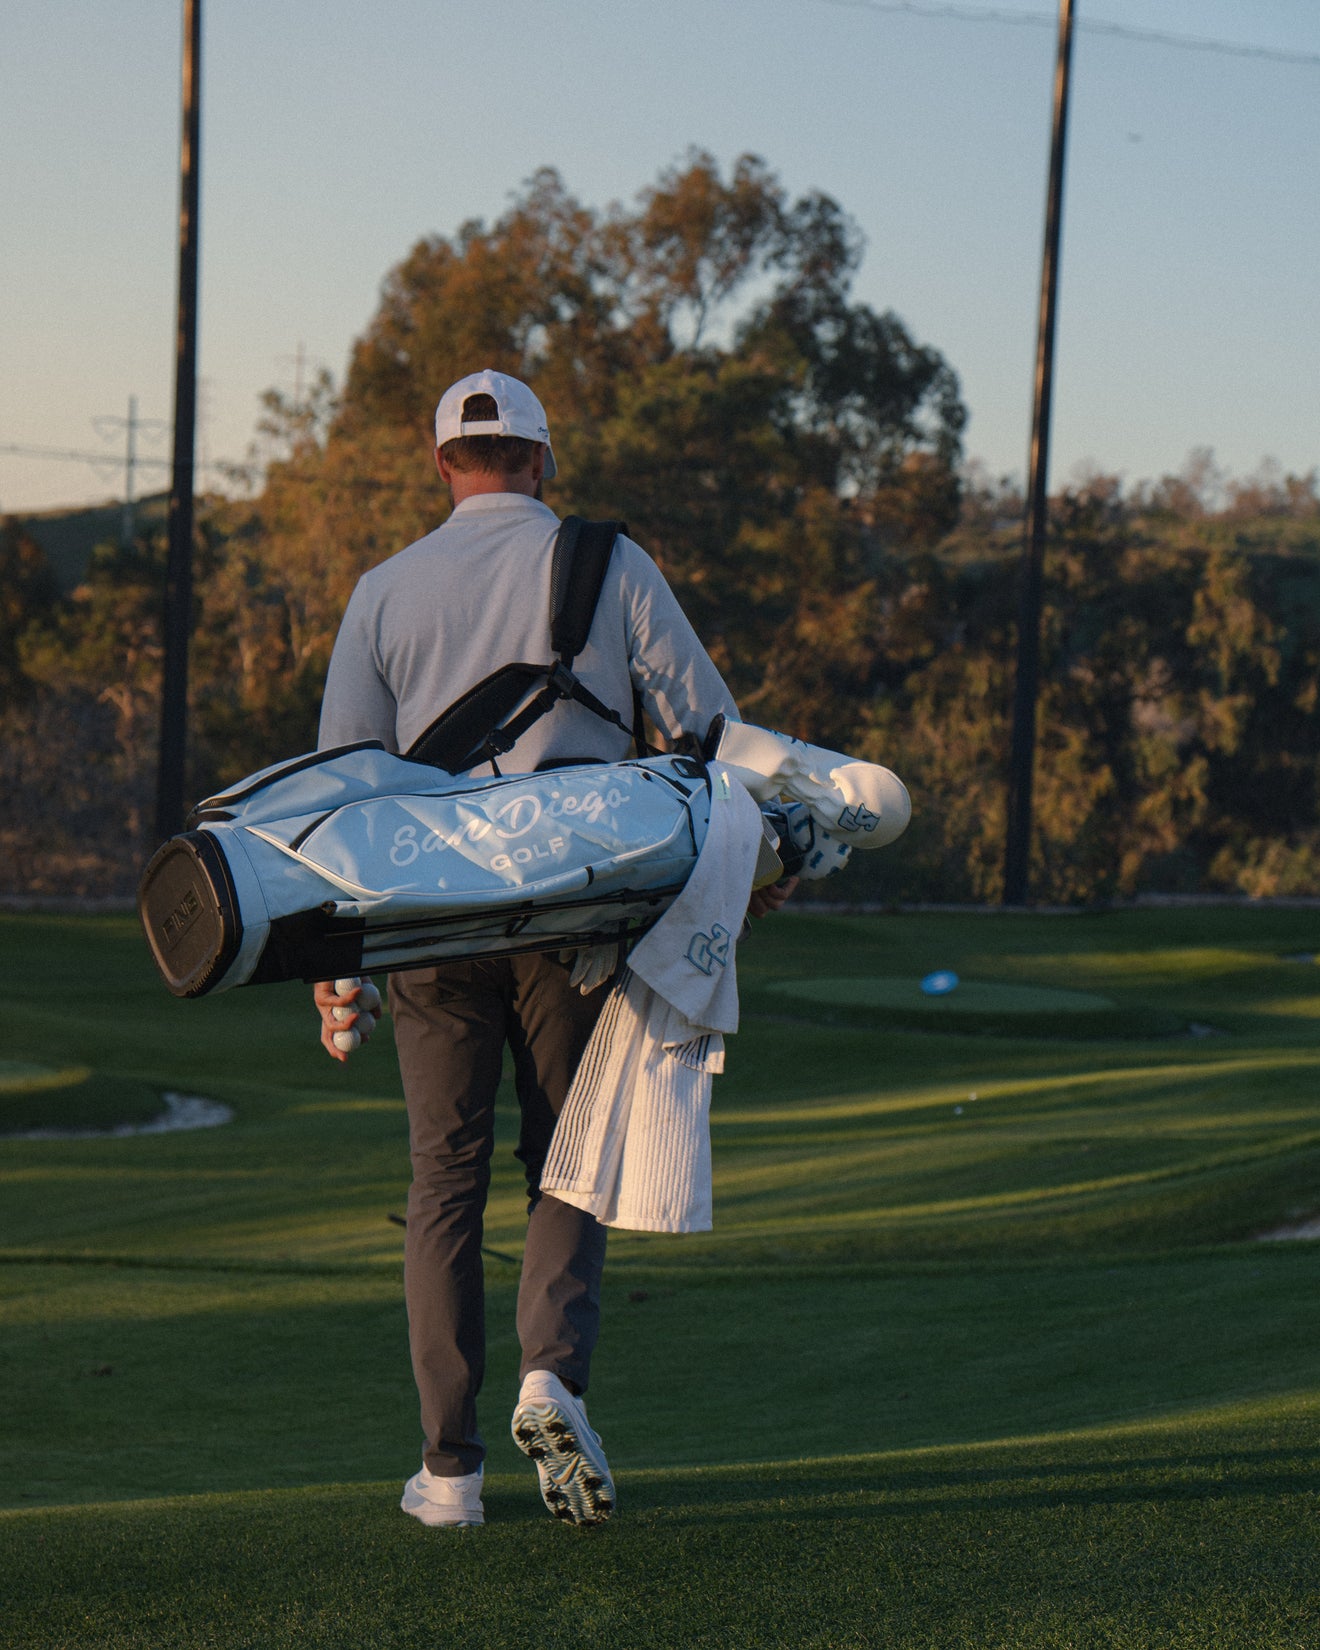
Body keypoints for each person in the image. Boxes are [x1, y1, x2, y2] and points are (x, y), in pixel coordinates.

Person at [312, 368, 793, 1530]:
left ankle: (451, 1473)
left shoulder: (382, 592)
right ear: (542, 459)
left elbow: (339, 798)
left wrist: (341, 974)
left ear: (442, 466)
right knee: (567, 1160)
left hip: (431, 917)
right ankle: (551, 1376)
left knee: (443, 1184)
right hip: (575, 908)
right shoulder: (609, 563)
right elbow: (711, 730)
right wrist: (762, 854)